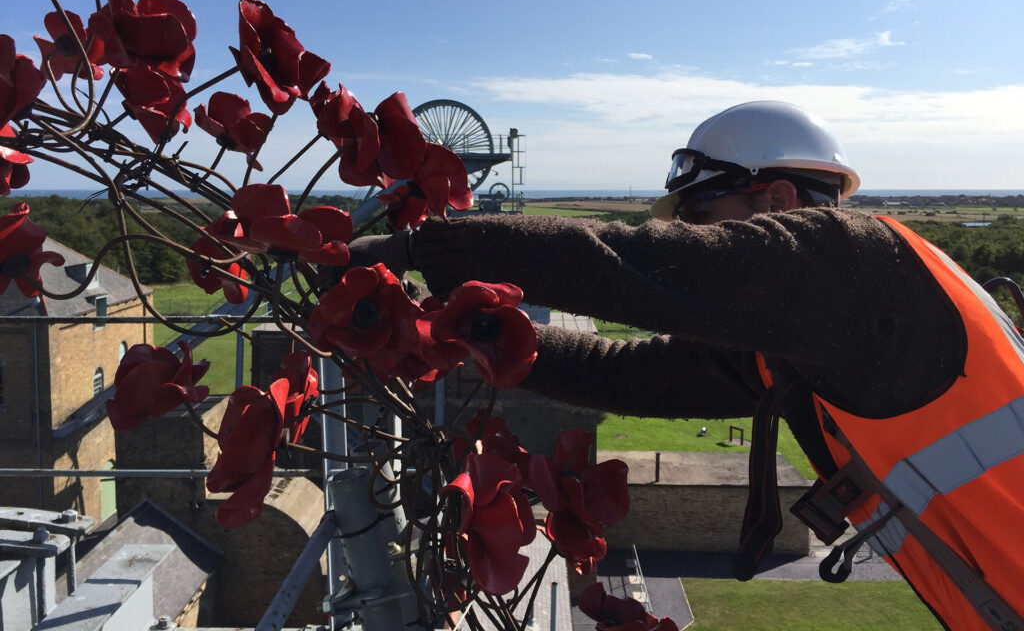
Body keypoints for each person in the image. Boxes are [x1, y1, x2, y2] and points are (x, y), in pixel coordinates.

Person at [351, 100, 1024, 631]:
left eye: (699, 214)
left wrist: (417, 249)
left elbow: (635, 267)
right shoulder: (809, 343)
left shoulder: (858, 265)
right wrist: (467, 330)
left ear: (777, 203)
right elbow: (623, 373)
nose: (689, 234)